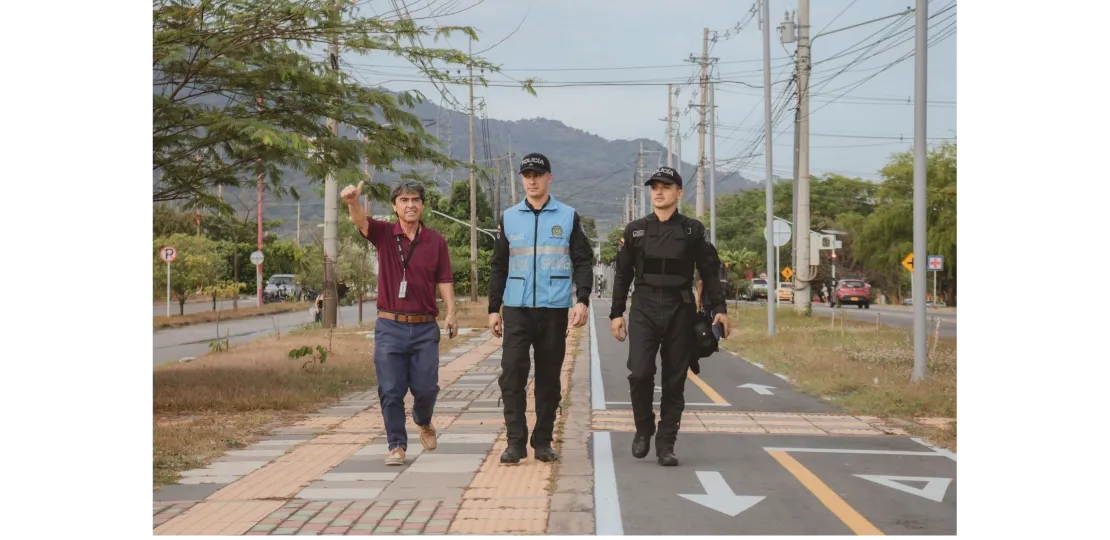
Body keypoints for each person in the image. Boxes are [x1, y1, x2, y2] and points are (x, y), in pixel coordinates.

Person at [609, 166, 731, 467]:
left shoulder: (692, 230)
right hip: (644, 307)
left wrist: (720, 310)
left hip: (680, 309)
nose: (659, 192)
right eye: (655, 187)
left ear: (679, 192)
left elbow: (709, 272)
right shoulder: (635, 230)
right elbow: (622, 274)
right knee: (640, 373)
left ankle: (666, 443)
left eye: (666, 187)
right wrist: (616, 313)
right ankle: (644, 427)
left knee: (674, 381)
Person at [341, 179, 459, 467]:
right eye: (404, 200)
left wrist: (451, 312)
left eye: (415, 200)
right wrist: (353, 202)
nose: (410, 205)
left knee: (427, 388)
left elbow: (444, 279)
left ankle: (423, 419)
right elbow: (361, 222)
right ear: (394, 206)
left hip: (424, 326)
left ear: (423, 205)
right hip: (390, 326)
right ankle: (396, 445)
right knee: (391, 389)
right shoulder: (384, 233)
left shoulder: (436, 240)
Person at [488, 152, 595, 464]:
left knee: (548, 379)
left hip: (553, 309)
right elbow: (499, 265)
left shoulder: (568, 216)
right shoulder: (509, 217)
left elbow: (582, 261)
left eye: (537, 175)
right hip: (517, 309)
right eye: (527, 175)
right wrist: (494, 308)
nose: (532, 181)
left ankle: (543, 441)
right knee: (512, 374)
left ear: (549, 177)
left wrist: (582, 300)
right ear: (521, 179)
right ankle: (515, 442)